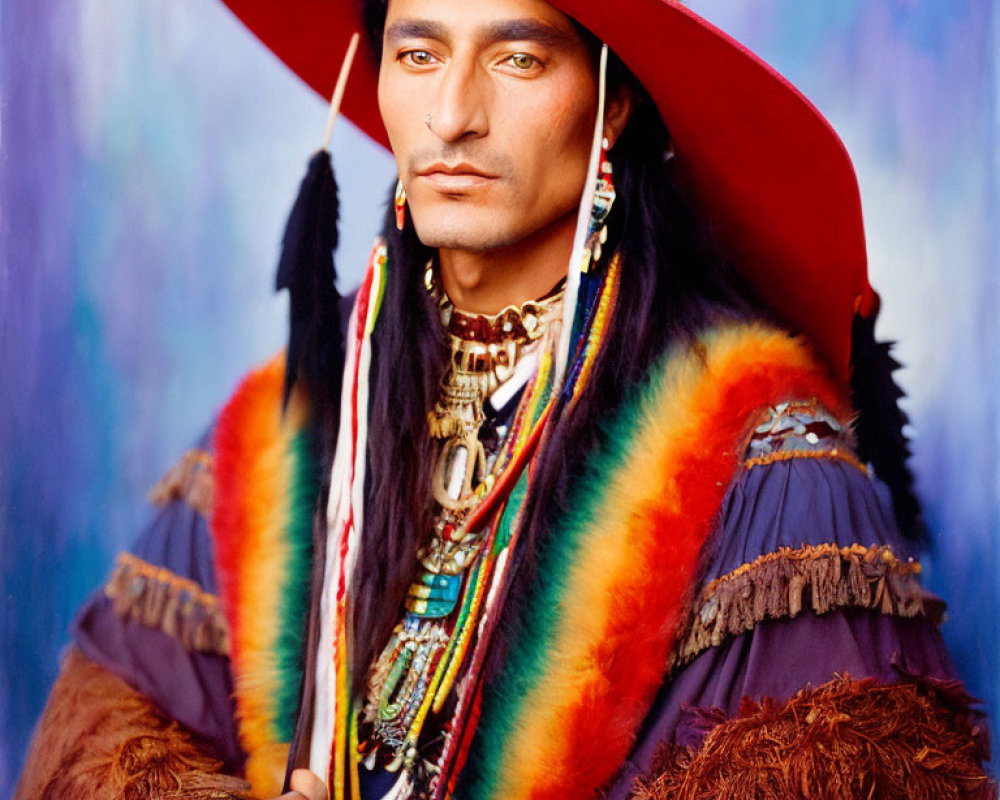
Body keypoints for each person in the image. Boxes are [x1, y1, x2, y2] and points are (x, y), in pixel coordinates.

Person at [15, 0, 994, 798]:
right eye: (417, 51)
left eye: (517, 59)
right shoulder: (300, 420)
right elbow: (99, 740)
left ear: (611, 105)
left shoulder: (764, 462)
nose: (451, 115)